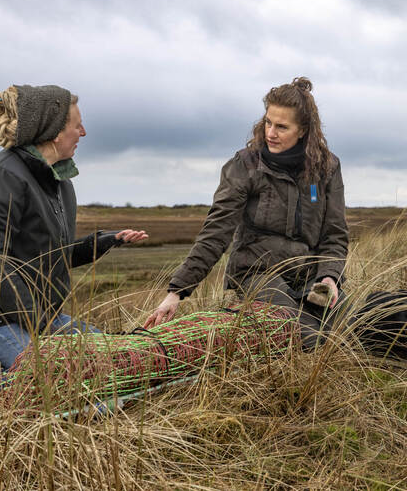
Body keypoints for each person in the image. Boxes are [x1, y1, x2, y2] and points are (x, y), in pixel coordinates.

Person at [0, 84, 148, 384]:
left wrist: (105, 241)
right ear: (55, 131)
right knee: (68, 386)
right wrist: (42, 328)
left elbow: (50, 255)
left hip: (44, 319)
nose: (83, 132)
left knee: (119, 360)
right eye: (77, 125)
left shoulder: (59, 181)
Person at [145, 77, 348, 347]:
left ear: (303, 131)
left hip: (308, 273)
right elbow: (216, 233)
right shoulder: (246, 165)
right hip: (256, 273)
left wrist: (329, 277)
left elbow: (335, 234)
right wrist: (177, 292)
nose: (271, 133)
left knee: (350, 321)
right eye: (268, 122)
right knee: (303, 331)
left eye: (282, 126)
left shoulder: (327, 167)